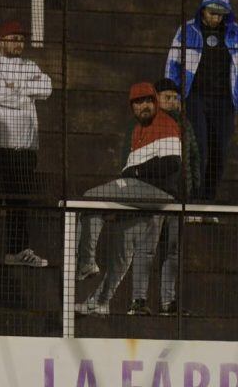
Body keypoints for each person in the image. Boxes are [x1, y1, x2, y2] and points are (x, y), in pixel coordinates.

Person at [75, 82, 182, 316]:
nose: (143, 106)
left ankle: (85, 262)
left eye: (148, 101)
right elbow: (128, 170)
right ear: (132, 107)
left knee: (89, 198)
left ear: (155, 102)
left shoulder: (166, 123)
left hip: (156, 193)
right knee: (122, 249)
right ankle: (100, 302)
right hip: (138, 196)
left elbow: (172, 163)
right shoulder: (136, 130)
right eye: (138, 102)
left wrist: (136, 173)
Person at [165, 0, 238, 201]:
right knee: (199, 148)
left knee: (219, 153)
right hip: (195, 97)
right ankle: (194, 201)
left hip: (224, 101)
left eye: (220, 15)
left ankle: (208, 201)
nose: (215, 18)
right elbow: (173, 63)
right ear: (202, 10)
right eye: (211, 13)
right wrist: (174, 95)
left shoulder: (234, 32)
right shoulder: (187, 30)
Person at [0, 20, 51, 267]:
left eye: (21, 39)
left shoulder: (30, 65)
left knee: (20, 200)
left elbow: (47, 87)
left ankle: (16, 251)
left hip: (24, 147)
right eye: (13, 38)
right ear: (1, 41)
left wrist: (17, 87)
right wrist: (27, 92)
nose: (19, 43)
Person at [152, 78, 200, 315]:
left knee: (173, 250)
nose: (172, 101)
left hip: (180, 197)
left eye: (175, 97)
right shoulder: (148, 122)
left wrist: (193, 191)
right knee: (145, 249)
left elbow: (193, 157)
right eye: (167, 97)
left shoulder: (185, 124)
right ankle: (138, 300)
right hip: (153, 197)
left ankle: (167, 302)